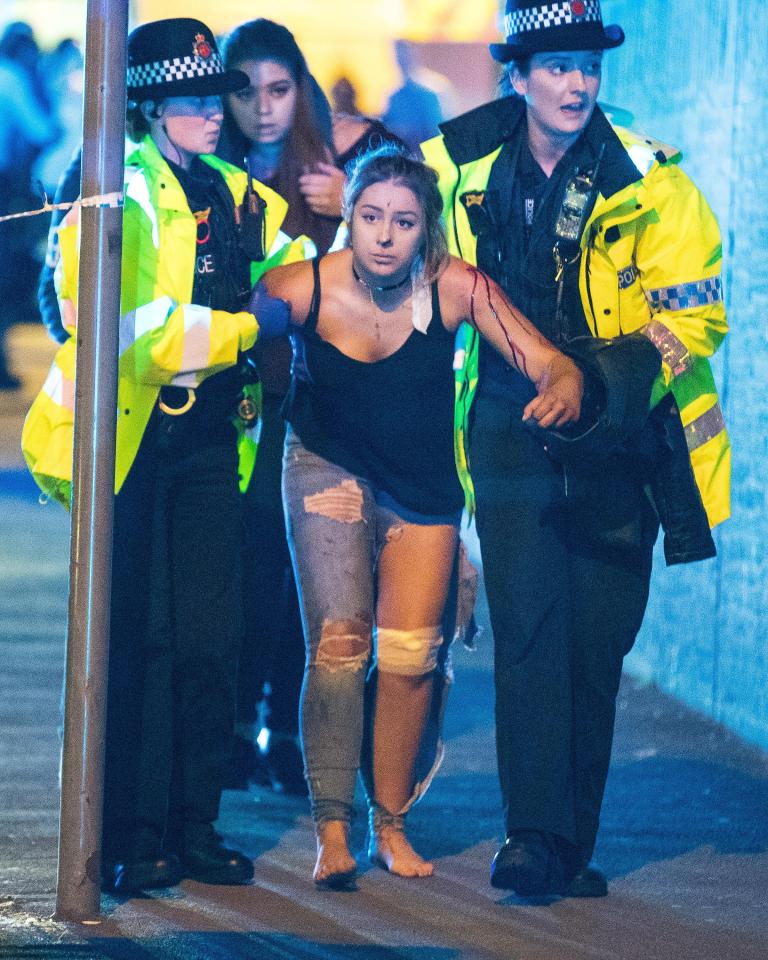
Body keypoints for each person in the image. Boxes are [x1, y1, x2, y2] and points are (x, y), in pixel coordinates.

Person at [421, 0, 730, 898]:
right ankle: (530, 836)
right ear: (516, 74)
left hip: (618, 441)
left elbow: (695, 318)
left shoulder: (653, 179)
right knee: (528, 635)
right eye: (556, 65)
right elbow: (406, 248)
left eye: (588, 66)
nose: (577, 83)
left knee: (596, 646)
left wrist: (596, 385)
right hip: (508, 435)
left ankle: (569, 841)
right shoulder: (462, 166)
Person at [23, 17, 305, 895]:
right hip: (137, 441)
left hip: (215, 440)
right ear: (147, 106)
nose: (214, 114)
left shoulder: (238, 191)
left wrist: (297, 289)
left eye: (210, 97)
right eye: (190, 100)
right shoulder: (112, 187)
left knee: (210, 641)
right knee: (140, 639)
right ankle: (131, 834)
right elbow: (141, 336)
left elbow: (300, 269)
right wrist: (253, 326)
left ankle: (193, 826)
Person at [258, 144, 584, 889]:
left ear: (426, 232)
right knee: (340, 645)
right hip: (327, 469)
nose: (383, 235)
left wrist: (561, 386)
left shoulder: (457, 287)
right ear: (349, 218)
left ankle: (390, 826)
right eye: (370, 216)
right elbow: (231, 340)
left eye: (402, 222)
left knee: (410, 658)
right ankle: (332, 829)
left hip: (422, 487)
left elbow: (544, 358)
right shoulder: (301, 287)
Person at [217, 19, 401, 794]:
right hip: (233, 401)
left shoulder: (345, 155)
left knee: (315, 579)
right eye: (245, 89)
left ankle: (296, 737)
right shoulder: (205, 162)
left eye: (280, 89)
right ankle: (235, 729)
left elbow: (416, 247)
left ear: (303, 87)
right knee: (246, 572)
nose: (263, 107)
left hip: (331, 409)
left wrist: (348, 198)